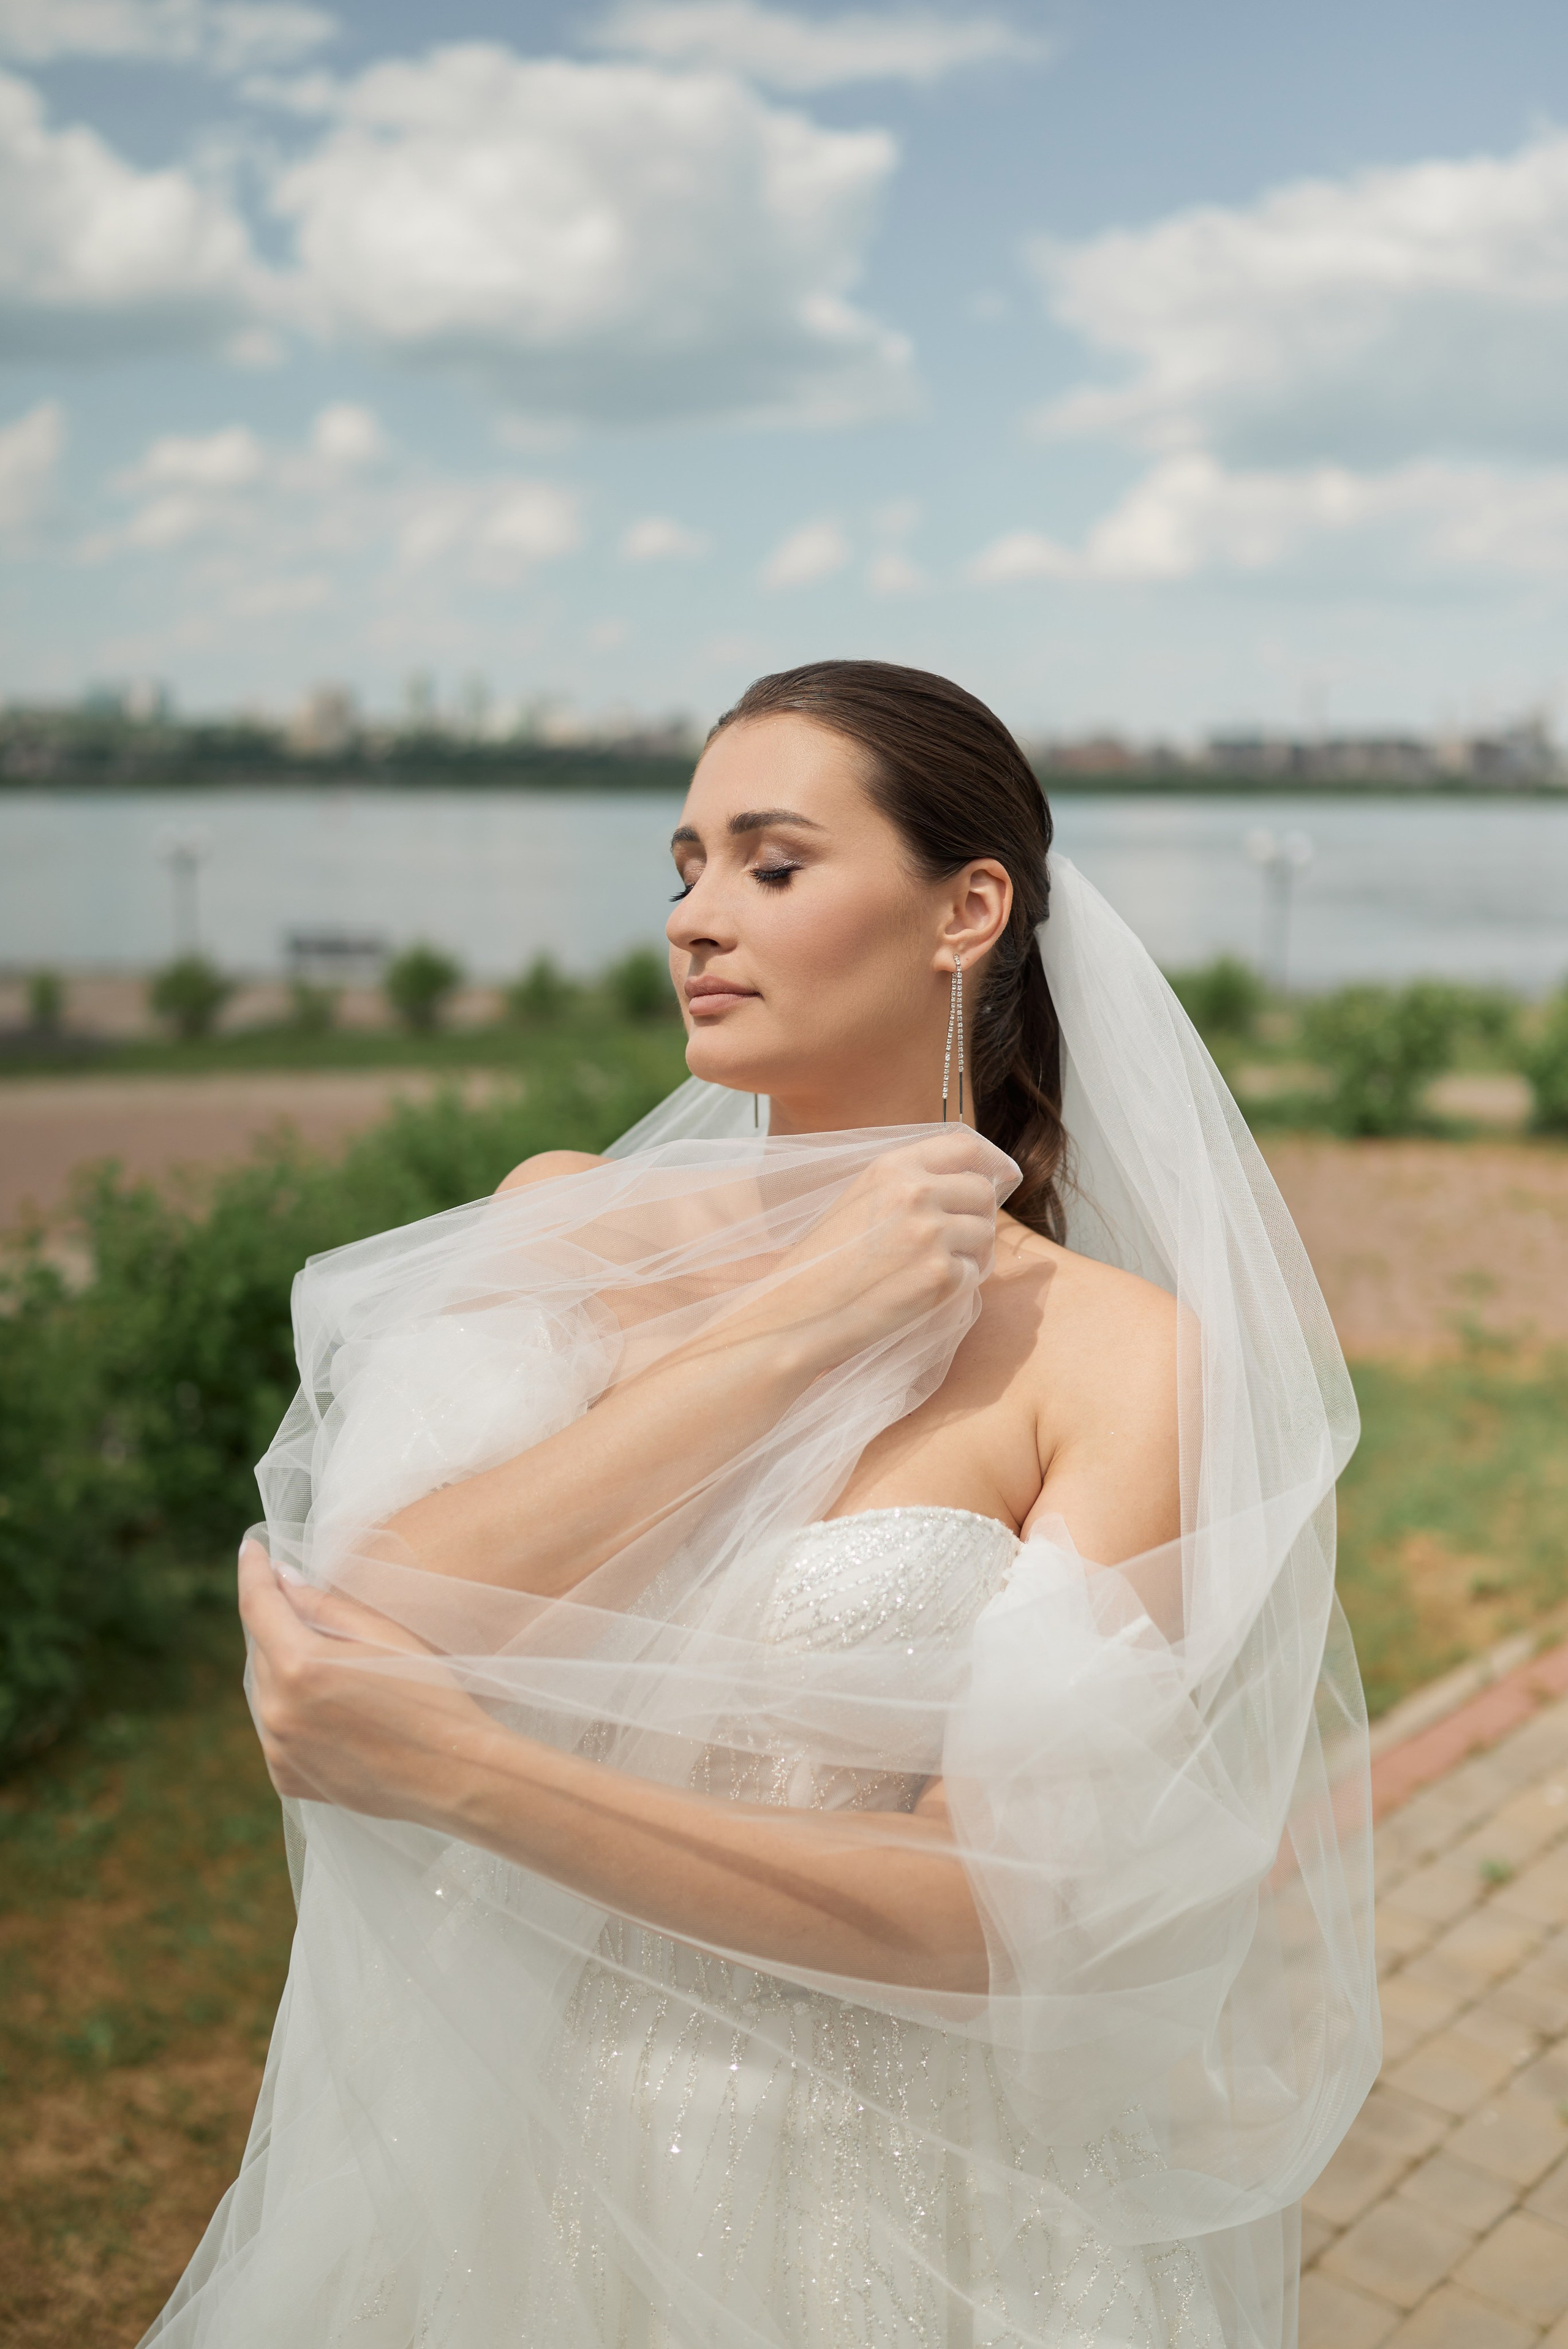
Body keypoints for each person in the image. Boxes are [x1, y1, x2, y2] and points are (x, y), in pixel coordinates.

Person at [141, 662, 1379, 2349]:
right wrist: (800, 1326)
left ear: (970, 907)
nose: (696, 920)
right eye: (684, 866)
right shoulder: (571, 1222)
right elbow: (374, 1613)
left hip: (894, 2209)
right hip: (513, 2164)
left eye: (771, 865)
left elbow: (1002, 1911)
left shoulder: (1109, 1356)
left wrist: (470, 1773)